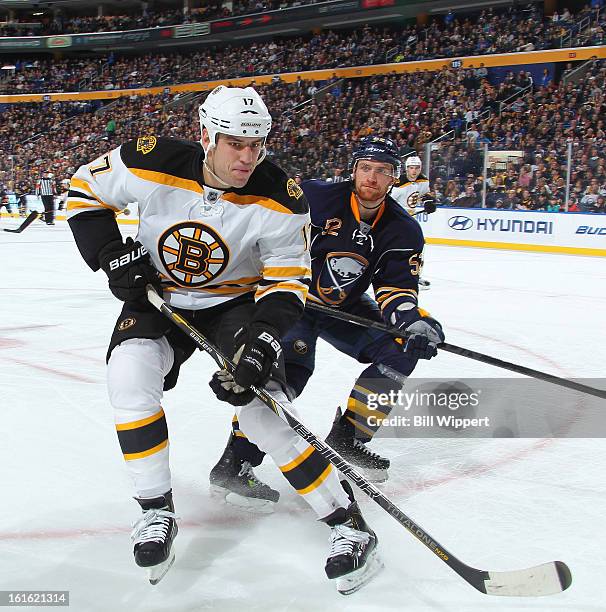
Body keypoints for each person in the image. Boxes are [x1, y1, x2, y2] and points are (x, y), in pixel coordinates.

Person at [66, 85, 380, 593]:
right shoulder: (152, 159)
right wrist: (111, 255)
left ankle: (348, 524)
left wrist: (263, 339)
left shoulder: (282, 196)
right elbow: (83, 190)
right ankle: (155, 510)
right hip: (158, 297)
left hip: (234, 307)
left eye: (257, 144)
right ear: (206, 134)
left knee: (263, 413)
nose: (247, 157)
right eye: (235, 143)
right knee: (128, 376)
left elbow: (286, 282)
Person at [210, 136, 444, 501]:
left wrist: (412, 320)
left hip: (343, 308)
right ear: (353, 171)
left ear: (393, 178)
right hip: (293, 301)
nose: (372, 177)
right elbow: (265, 233)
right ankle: (234, 465)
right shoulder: (316, 198)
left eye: (382, 171)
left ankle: (348, 439)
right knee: (285, 378)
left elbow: (395, 288)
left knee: (400, 349)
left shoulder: (403, 229)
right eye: (365, 168)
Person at [390, 155, 434, 288]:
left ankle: (415, 274)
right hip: (396, 218)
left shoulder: (423, 180)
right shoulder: (399, 184)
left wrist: (429, 202)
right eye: (411, 168)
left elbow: (425, 194)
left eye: (416, 168)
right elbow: (387, 202)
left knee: (418, 244)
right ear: (406, 169)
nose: (414, 171)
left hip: (410, 218)